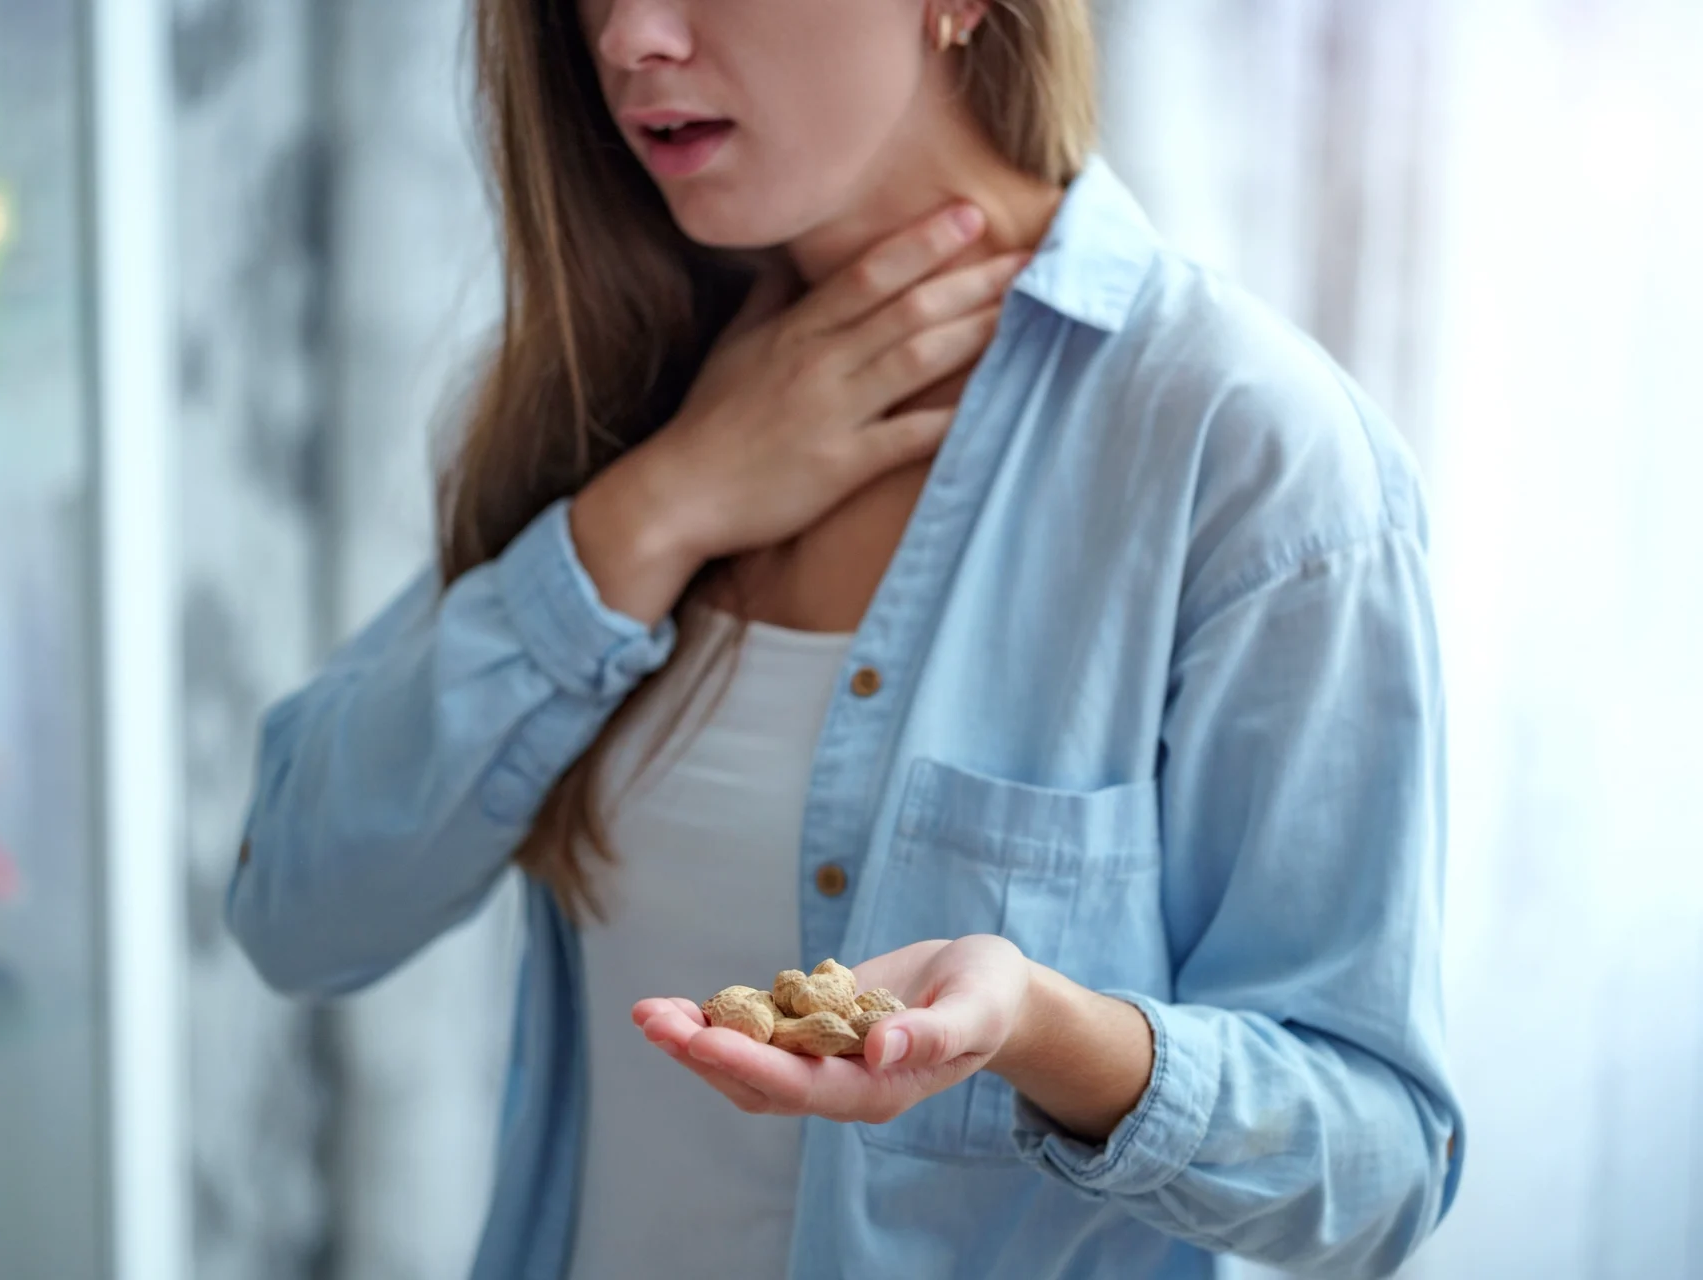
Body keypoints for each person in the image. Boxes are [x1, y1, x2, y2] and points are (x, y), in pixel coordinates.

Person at [226, 0, 1465, 1275]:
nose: (630, 38)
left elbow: (1378, 1165)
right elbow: (295, 906)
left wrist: (1041, 1027)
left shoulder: (1249, 452)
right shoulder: (623, 389)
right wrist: (663, 502)